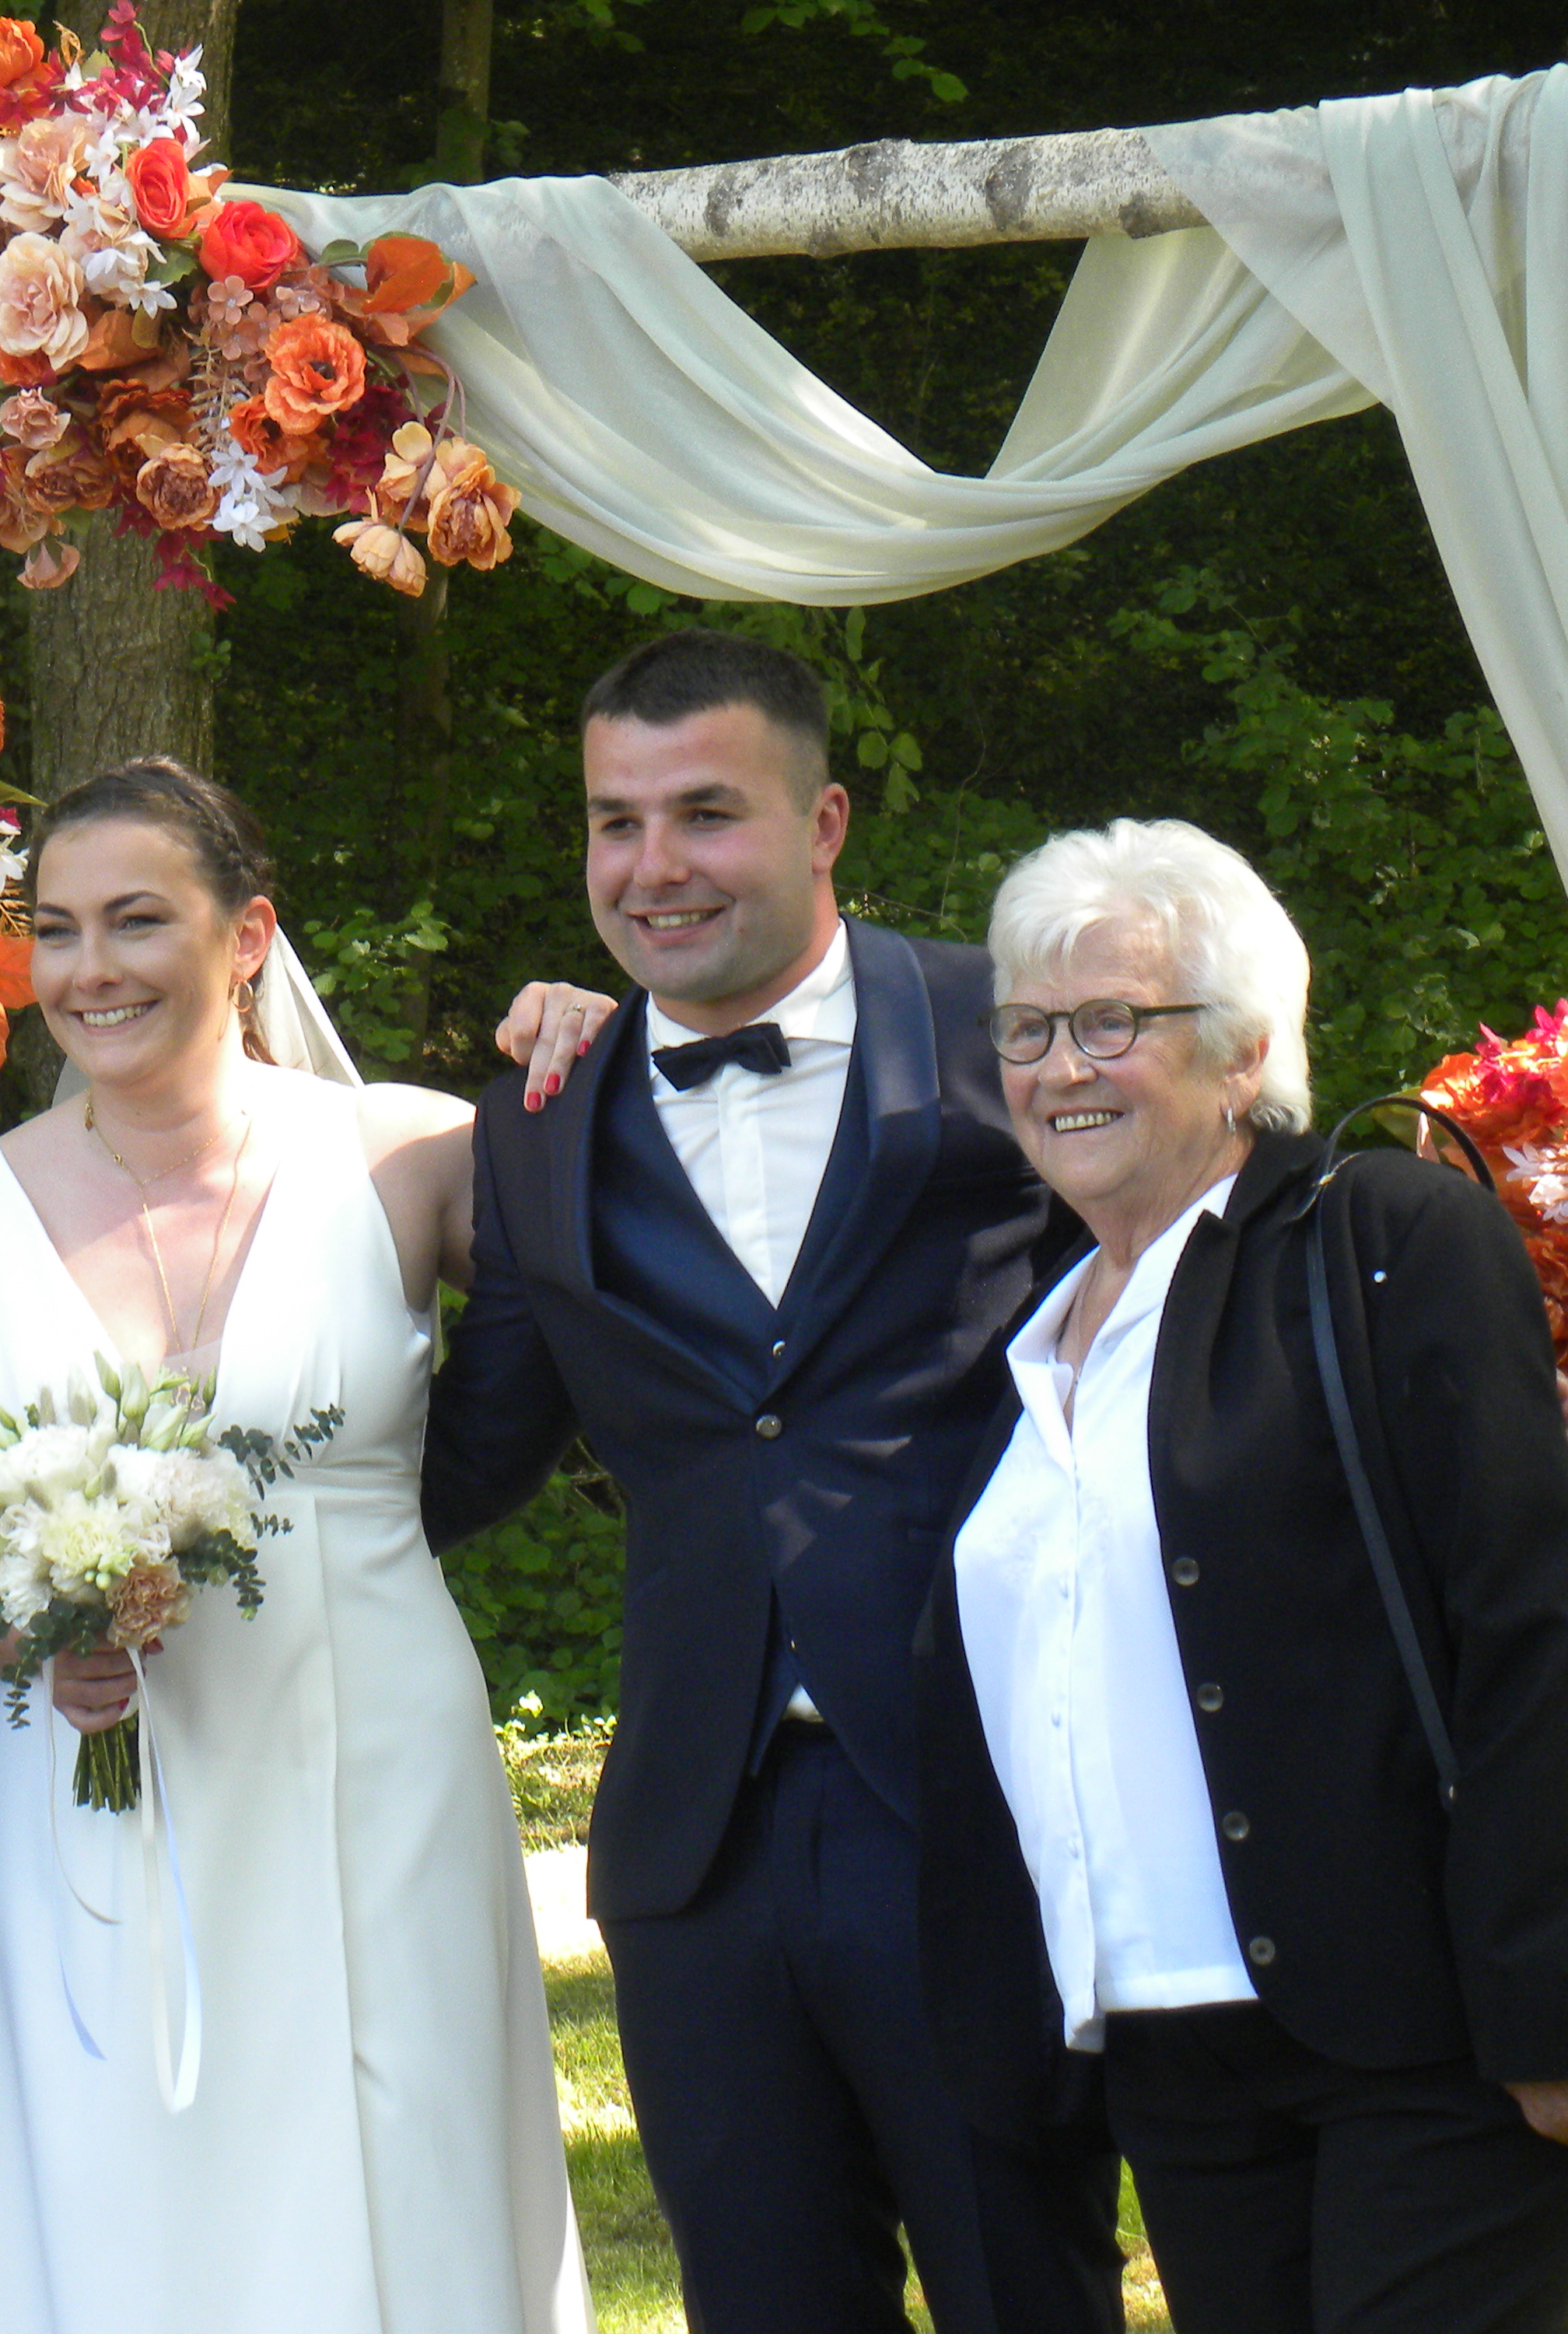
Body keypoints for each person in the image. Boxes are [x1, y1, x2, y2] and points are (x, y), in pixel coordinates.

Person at [422, 629, 1122, 2334]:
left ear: (823, 823)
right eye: (615, 822)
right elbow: (470, 1452)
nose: (651, 865)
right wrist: (203, 1508)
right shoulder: (539, 1113)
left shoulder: (1007, 1029)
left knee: (1024, 2288)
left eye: (705, 814)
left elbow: (1200, 1282)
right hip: (695, 1839)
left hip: (976, 1797)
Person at [914, 818, 1568, 2334]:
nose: (1059, 1067)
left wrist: (1550, 2007)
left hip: (1428, 2037)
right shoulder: (1033, 1328)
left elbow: (1524, 1623)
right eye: (1026, 1029)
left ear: (1244, 1050)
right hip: (1170, 2050)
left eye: (1112, 1023)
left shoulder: (1382, 1234)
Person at [0, 759, 590, 2334]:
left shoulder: (404, 1152)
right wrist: (34, 1632)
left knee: (402, 2150)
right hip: (98, 1781)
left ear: (247, 936)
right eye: (56, 929)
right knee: (126, 2186)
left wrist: (589, 1057)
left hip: (377, 1761)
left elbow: (635, 1250)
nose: (91, 968)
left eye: (138, 920)